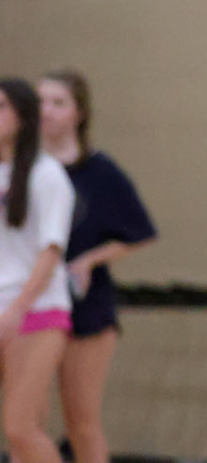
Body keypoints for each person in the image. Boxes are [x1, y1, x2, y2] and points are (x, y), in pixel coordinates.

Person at [38, 71, 158, 463]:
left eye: (58, 103)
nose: (47, 112)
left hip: (83, 308)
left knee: (81, 422)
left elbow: (140, 232)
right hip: (32, 304)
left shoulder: (99, 171)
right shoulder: (25, 171)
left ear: (78, 113)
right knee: (25, 422)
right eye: (40, 102)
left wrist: (90, 260)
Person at [0, 77, 76, 463]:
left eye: (1, 108)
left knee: (20, 427)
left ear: (24, 118)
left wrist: (16, 310)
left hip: (38, 312)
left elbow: (50, 253)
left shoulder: (47, 176)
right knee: (20, 439)